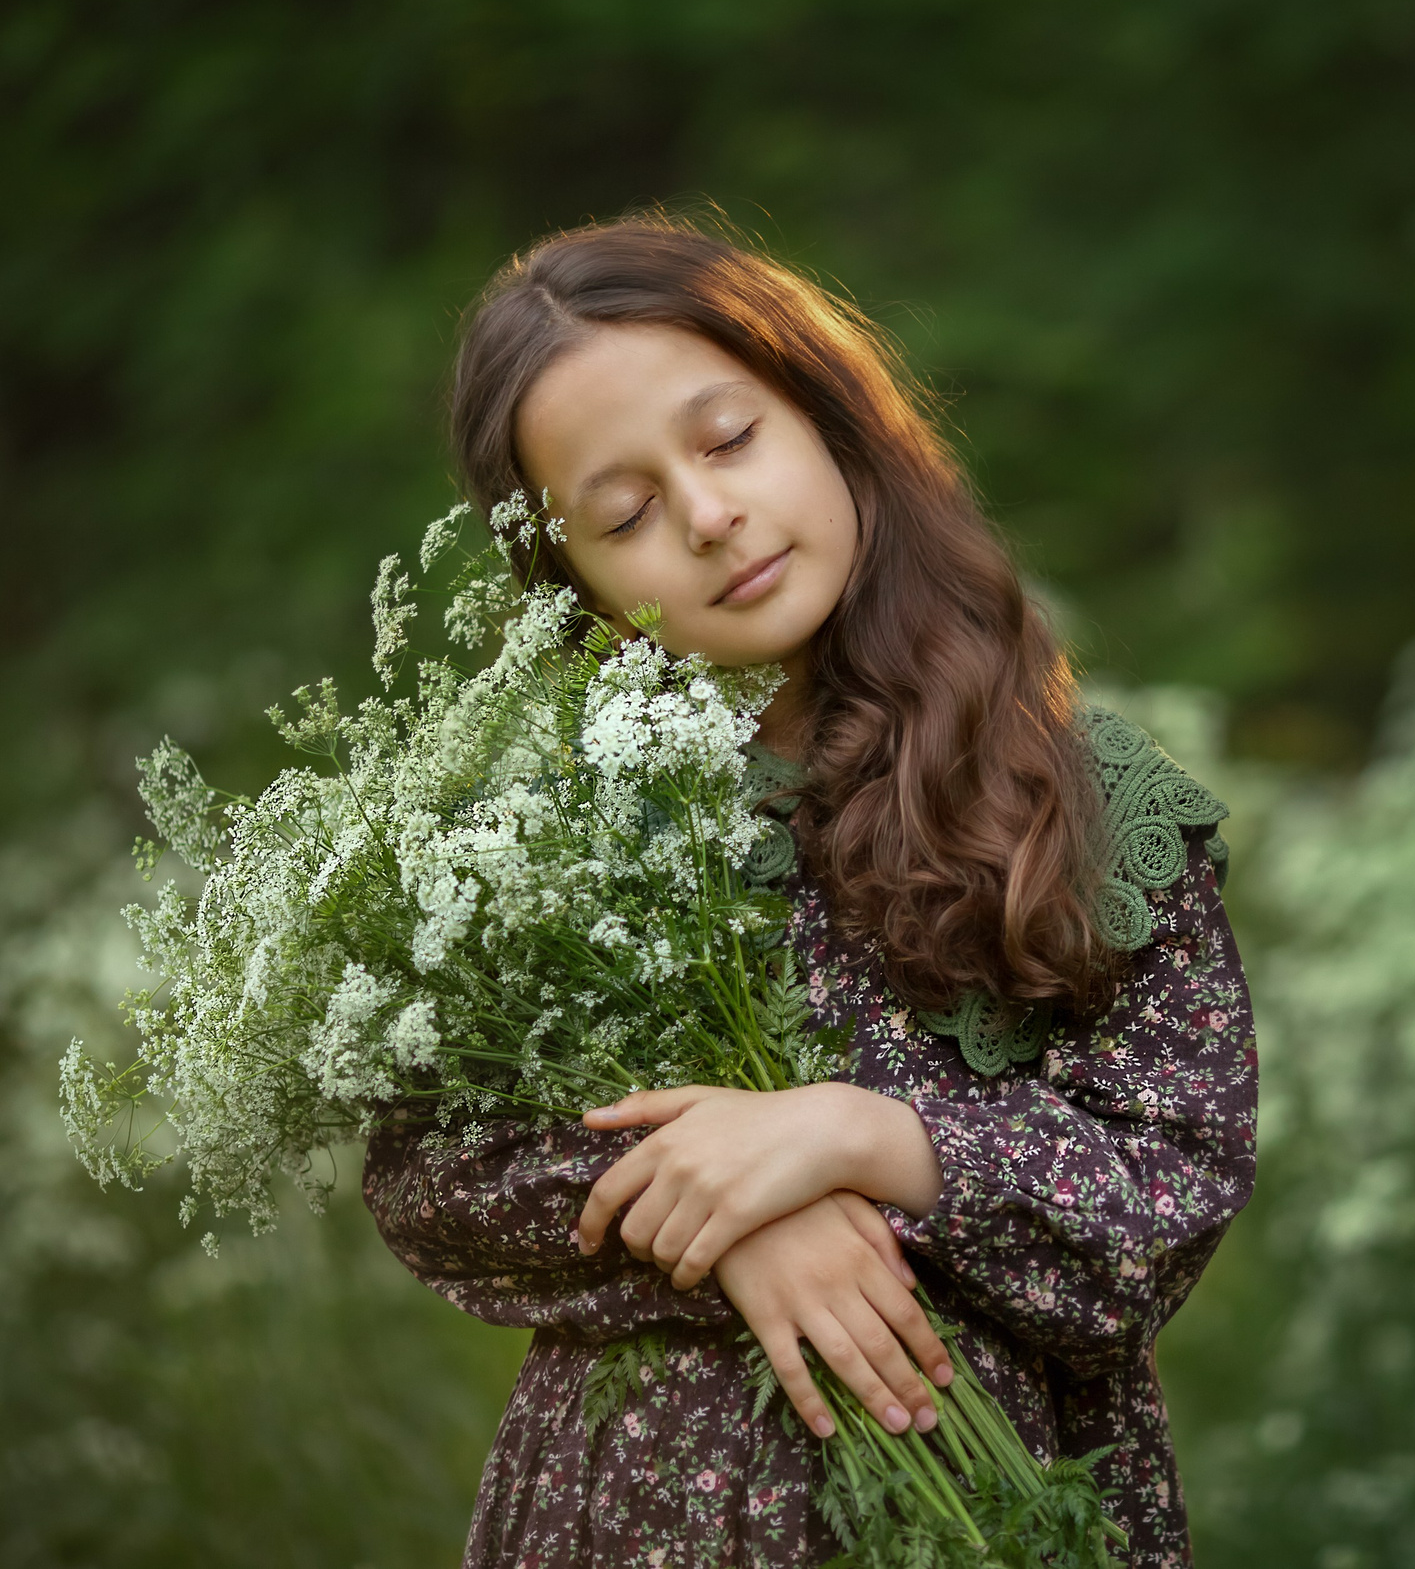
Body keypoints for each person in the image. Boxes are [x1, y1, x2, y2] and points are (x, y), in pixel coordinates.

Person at [362, 215, 1256, 1569]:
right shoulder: (547, 835)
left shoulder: (1077, 800)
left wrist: (862, 1139)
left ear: (833, 420)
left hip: (993, 1517)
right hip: (626, 1522)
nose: (708, 518)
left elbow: (1167, 1194)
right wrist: (731, 1225)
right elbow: (433, 1174)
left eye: (729, 440)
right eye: (626, 515)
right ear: (575, 585)